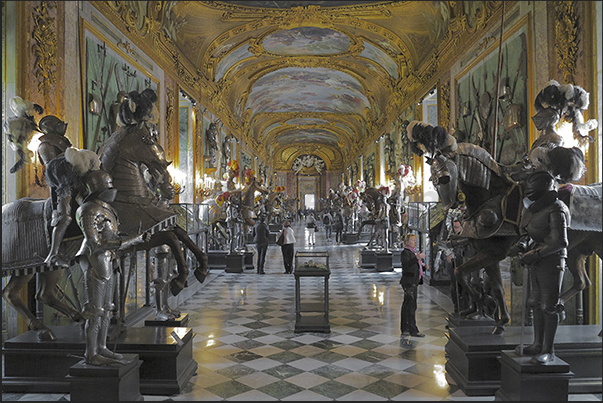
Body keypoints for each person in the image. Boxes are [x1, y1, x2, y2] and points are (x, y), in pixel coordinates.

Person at [75, 169, 149, 365]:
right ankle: (90, 353)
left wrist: (130, 240)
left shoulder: (108, 209)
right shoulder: (88, 209)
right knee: (95, 310)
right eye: (107, 186)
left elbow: (114, 237)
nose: (111, 189)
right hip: (95, 260)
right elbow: (94, 243)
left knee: (108, 309)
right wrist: (132, 240)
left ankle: (102, 347)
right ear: (97, 188)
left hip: (110, 260)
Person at [512, 170, 569, 365]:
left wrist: (535, 254)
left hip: (552, 260)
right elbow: (529, 232)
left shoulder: (556, 208)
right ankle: (537, 344)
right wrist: (522, 245)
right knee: (535, 302)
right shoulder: (533, 208)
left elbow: (559, 241)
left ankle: (549, 350)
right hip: (536, 257)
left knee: (549, 305)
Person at [400, 233, 426, 337]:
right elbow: (406, 266)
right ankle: (413, 330)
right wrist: (417, 258)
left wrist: (423, 268)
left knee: (408, 305)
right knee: (411, 306)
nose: (414, 242)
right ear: (407, 242)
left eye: (415, 240)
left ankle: (405, 328)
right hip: (409, 283)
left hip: (412, 282)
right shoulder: (406, 253)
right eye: (412, 240)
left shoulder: (412, 252)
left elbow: (414, 267)